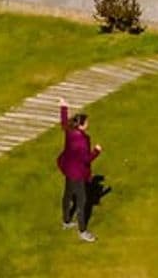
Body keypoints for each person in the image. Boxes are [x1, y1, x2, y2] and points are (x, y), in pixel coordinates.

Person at [58, 103, 100, 242]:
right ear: (81, 125)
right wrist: (97, 151)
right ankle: (82, 231)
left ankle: (66, 221)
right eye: (86, 122)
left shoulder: (70, 131)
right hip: (77, 173)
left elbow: (64, 123)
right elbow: (86, 159)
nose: (88, 124)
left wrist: (63, 107)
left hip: (68, 168)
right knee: (82, 201)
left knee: (68, 194)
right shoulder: (82, 140)